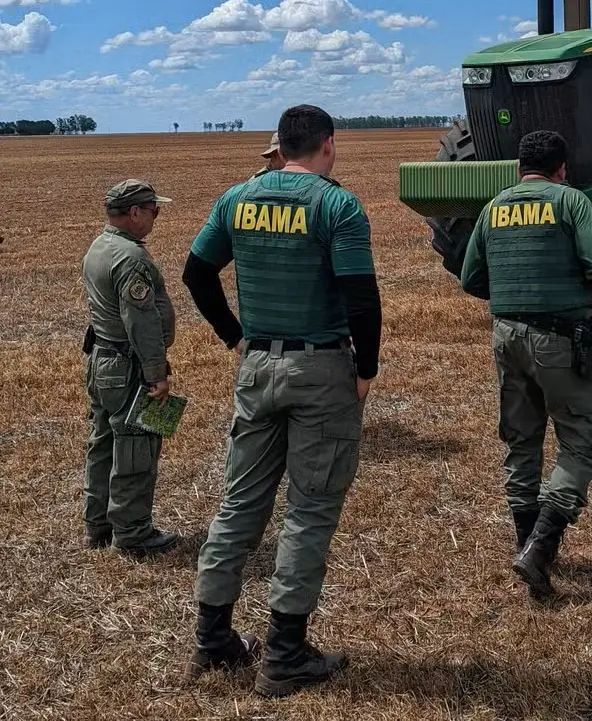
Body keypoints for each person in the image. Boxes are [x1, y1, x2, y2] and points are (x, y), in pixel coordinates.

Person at [181, 104, 381, 698]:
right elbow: (361, 298)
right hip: (320, 368)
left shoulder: (238, 198)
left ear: (280, 144)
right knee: (310, 511)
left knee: (239, 503)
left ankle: (212, 636)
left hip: (259, 366)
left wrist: (237, 336)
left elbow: (196, 273)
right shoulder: (337, 205)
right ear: (328, 144)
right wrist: (365, 368)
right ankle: (286, 653)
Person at [460, 130, 592, 599]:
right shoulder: (570, 201)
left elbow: (471, 276)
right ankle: (540, 549)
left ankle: (524, 541)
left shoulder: (495, 207)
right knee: (582, 435)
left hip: (506, 337)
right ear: (562, 168)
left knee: (521, 438)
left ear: (518, 170)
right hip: (559, 338)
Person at [80, 180, 180, 556]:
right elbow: (142, 322)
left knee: (103, 443)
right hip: (128, 365)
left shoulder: (99, 246)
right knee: (137, 449)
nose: (157, 216)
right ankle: (134, 533)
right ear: (135, 212)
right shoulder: (131, 259)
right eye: (154, 209)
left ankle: (98, 524)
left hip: (102, 362)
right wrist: (156, 374)